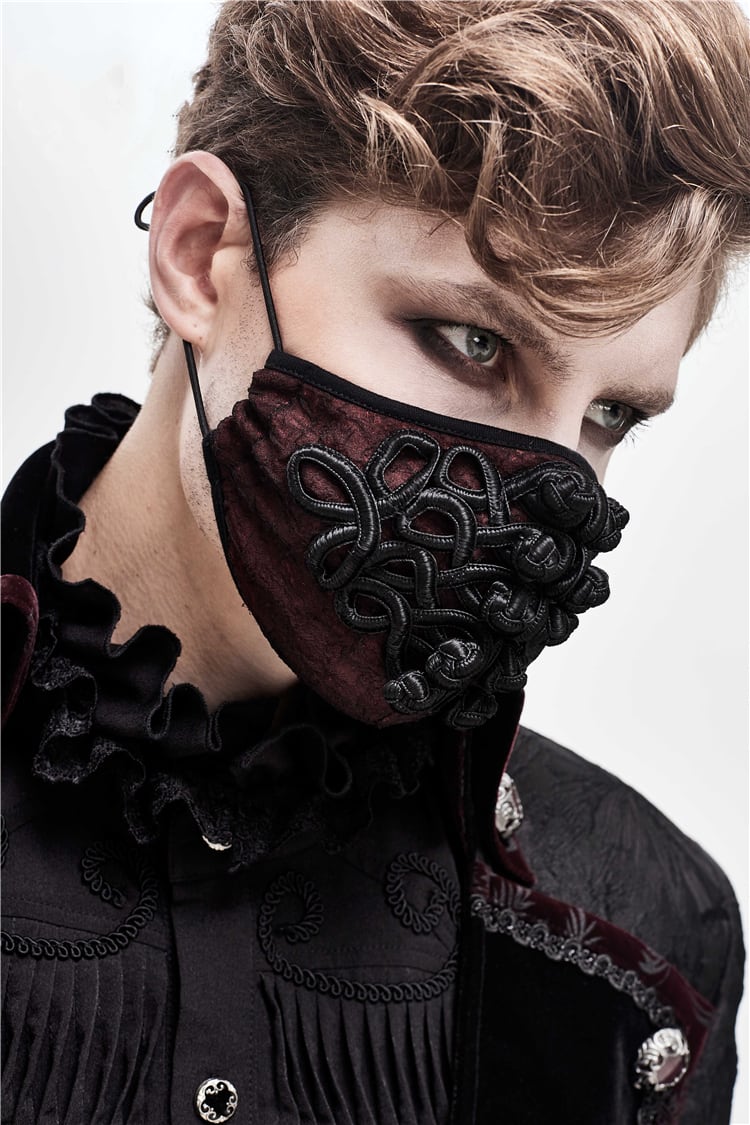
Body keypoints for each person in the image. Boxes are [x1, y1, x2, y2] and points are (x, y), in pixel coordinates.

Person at [2, 2, 749, 1123]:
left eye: (611, 416)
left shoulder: (643, 939)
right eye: (474, 343)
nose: (541, 495)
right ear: (200, 256)